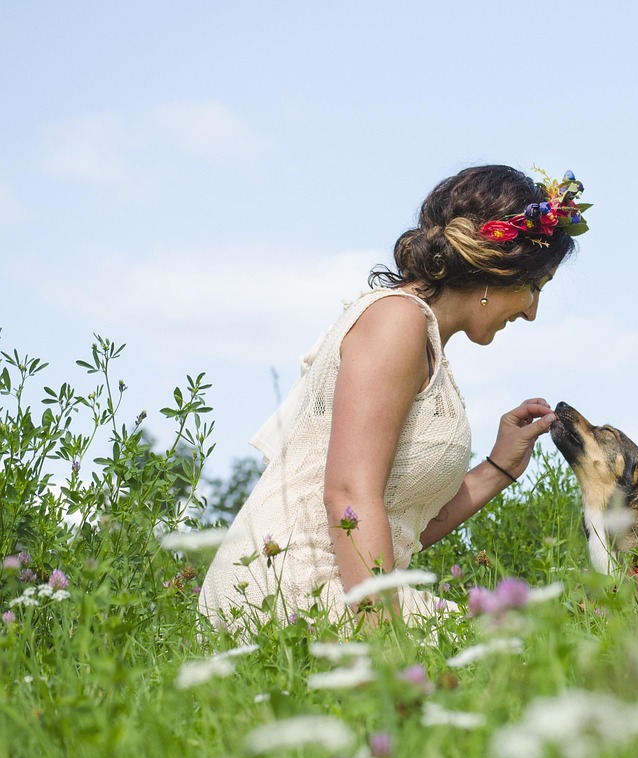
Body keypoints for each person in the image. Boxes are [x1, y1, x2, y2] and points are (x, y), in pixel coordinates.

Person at [197, 164, 588, 633]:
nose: (531, 311)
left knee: (523, 644)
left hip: (344, 582)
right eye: (533, 287)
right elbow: (347, 495)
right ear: (498, 267)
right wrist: (387, 652)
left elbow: (403, 528)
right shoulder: (396, 323)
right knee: (522, 649)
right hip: (296, 590)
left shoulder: (419, 339)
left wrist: (498, 468)